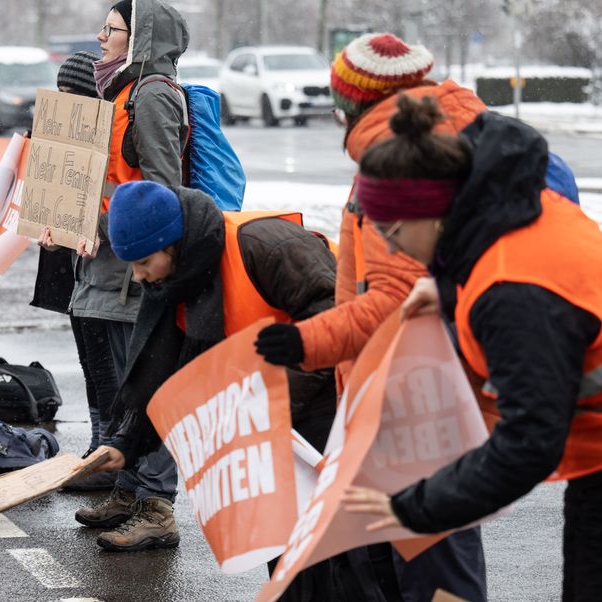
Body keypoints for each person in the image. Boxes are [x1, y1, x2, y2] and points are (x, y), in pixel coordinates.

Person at [253, 32, 488, 601]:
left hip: (408, 395)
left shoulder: (400, 165)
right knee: (423, 554)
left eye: (341, 101)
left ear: (361, 101)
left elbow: (393, 300)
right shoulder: (445, 137)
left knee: (429, 563)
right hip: (426, 387)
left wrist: (307, 342)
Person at [342, 92, 602, 602]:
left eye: (393, 231)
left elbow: (528, 443)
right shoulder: (516, 207)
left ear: (431, 213)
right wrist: (443, 286)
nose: (391, 249)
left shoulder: (510, 292)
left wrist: (415, 507)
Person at [82, 180, 340, 560]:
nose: (138, 276)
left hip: (335, 392)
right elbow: (167, 373)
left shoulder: (265, 246)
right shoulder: (179, 277)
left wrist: (267, 403)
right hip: (280, 404)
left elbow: (334, 324)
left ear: (171, 245)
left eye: (143, 263)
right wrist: (126, 443)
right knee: (287, 541)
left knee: (337, 545)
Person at [72, 0, 193, 551]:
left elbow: (162, 190)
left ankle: (155, 506)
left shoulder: (151, 97)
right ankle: (127, 490)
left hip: (133, 272)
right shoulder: (121, 92)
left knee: (147, 388)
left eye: (112, 29)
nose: (100, 37)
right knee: (123, 388)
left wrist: (97, 220)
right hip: (107, 264)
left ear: (140, 39)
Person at [31, 52, 127, 491]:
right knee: (89, 359)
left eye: (73, 94)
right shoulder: (69, 134)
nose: (64, 102)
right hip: (79, 262)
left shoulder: (108, 134)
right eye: (61, 93)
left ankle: (108, 455)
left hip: (106, 262)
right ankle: (97, 444)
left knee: (104, 362)